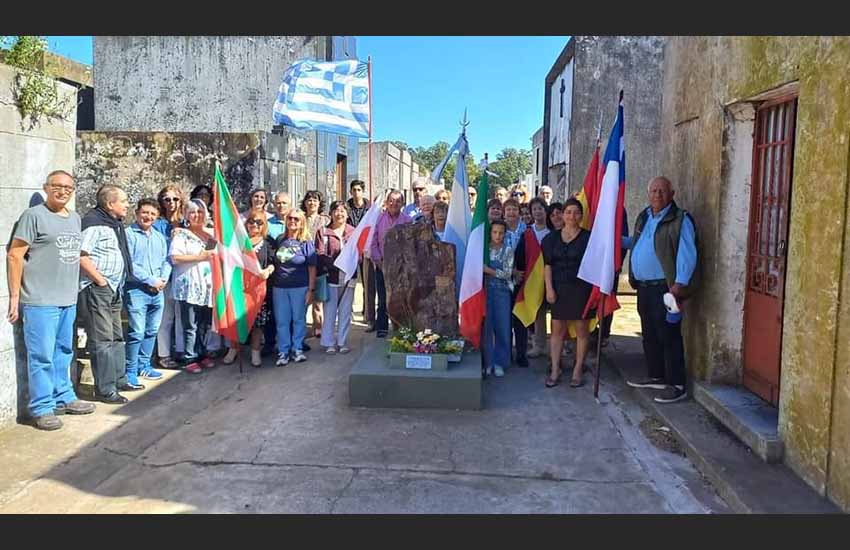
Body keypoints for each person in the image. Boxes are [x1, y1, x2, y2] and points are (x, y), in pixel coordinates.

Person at [7, 170, 95, 430]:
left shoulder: (75, 218)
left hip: (67, 298)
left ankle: (64, 396)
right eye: (57, 186)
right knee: (41, 356)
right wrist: (14, 296)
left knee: (64, 352)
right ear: (46, 188)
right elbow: (15, 255)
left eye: (68, 187)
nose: (63, 191)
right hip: (40, 300)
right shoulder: (33, 217)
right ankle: (42, 408)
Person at [624, 177, 698, 404]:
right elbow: (637, 243)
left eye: (662, 191)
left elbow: (688, 252)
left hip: (667, 289)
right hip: (644, 288)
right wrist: (614, 241)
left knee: (669, 336)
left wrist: (679, 285)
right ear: (648, 194)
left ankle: (677, 384)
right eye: (653, 191)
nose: (657, 195)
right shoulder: (645, 216)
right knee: (650, 334)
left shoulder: (679, 219)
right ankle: (657, 375)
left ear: (672, 193)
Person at [77, 184, 137, 403]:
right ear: (110, 204)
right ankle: (105, 389)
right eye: (123, 201)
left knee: (116, 336)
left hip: (113, 287)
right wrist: (100, 281)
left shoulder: (114, 224)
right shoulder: (94, 224)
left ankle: (119, 379)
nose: (127, 205)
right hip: (98, 288)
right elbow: (81, 255)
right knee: (102, 339)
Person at [542, 198, 593, 388]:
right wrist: (549, 289)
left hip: (581, 290)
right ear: (562, 215)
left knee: (581, 330)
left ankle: (578, 369)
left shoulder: (589, 238)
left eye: (576, 212)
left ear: (581, 216)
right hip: (558, 289)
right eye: (568, 212)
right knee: (557, 331)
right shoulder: (551, 239)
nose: (572, 216)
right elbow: (547, 266)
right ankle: (555, 369)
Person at [124, 198, 171, 385]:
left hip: (157, 291)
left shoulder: (159, 237)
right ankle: (130, 370)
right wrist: (150, 280)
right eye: (145, 212)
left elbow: (167, 260)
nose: (148, 217)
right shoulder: (128, 234)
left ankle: (144, 365)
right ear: (136, 213)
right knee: (136, 331)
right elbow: (130, 264)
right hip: (137, 289)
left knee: (152, 330)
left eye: (152, 214)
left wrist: (162, 280)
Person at [222, 209, 275, 367]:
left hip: (258, 290)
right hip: (239, 288)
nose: (255, 225)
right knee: (235, 321)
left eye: (259, 222)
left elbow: (274, 262)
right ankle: (233, 349)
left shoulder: (269, 243)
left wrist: (268, 271)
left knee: (258, 323)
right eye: (252, 221)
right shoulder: (237, 242)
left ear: (264, 225)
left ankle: (255, 352)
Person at [170, 199, 217, 374]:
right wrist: (199, 257)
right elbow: (175, 258)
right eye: (193, 212)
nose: (197, 215)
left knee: (204, 323)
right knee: (190, 324)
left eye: (200, 212)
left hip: (206, 286)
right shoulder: (181, 235)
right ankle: (189, 357)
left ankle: (202, 353)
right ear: (186, 215)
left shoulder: (209, 235)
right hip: (188, 286)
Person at [270, 209, 316, 366]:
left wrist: (311, 290)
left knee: (298, 319)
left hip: (300, 286)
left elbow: (312, 268)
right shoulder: (279, 240)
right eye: (290, 218)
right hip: (280, 287)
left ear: (302, 222)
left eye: (296, 219)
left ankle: (297, 349)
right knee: (282, 320)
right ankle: (283, 351)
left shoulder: (306, 242)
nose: (292, 221)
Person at [370, 190, 412, 338]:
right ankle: (382, 328)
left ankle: (402, 329)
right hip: (382, 266)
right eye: (391, 201)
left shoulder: (407, 220)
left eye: (398, 201)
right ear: (386, 202)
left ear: (403, 203)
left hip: (402, 268)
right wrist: (380, 262)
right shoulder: (378, 219)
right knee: (383, 299)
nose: (394, 204)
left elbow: (410, 244)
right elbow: (373, 243)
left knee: (402, 299)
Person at [316, 201, 356, 354]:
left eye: (342, 210)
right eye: (336, 211)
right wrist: (335, 263)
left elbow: (357, 252)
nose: (339, 214)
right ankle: (329, 342)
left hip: (349, 276)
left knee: (346, 311)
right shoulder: (323, 232)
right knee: (330, 310)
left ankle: (342, 341)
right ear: (331, 213)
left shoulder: (353, 232)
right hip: (331, 276)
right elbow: (319, 253)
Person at [153, 184, 185, 369]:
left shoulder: (187, 221)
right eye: (167, 199)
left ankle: (181, 351)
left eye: (175, 199)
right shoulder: (157, 224)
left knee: (183, 317)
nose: (171, 203)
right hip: (165, 275)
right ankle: (163, 354)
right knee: (166, 317)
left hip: (184, 275)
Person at [514, 198, 551, 360]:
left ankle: (560, 346)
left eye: (540, 208)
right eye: (534, 209)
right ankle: (539, 345)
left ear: (545, 210)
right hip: (531, 278)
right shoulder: (527, 233)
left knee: (556, 315)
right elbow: (520, 256)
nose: (537, 212)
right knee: (537, 313)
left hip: (551, 278)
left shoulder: (553, 232)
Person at [482, 221, 514, 378]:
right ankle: (488, 362)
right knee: (487, 328)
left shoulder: (507, 250)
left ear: (505, 233)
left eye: (501, 233)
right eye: (495, 232)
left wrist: (489, 271)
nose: (497, 236)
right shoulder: (485, 249)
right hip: (487, 292)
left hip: (502, 292)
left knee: (502, 327)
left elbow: (508, 274)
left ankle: (500, 362)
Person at [301, 190, 330, 339]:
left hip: (319, 265)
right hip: (302, 265)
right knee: (303, 300)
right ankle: (302, 329)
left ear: (319, 204)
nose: (312, 203)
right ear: (305, 203)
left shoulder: (325, 220)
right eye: (309, 200)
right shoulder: (299, 219)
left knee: (318, 301)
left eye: (315, 200)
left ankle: (317, 328)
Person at [346, 180, 375, 330]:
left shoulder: (370, 209)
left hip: (366, 249)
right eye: (354, 190)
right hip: (350, 248)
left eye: (359, 190)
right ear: (350, 191)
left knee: (368, 284)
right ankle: (346, 312)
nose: (356, 192)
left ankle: (368, 315)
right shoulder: (346, 207)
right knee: (347, 283)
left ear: (363, 191)